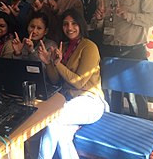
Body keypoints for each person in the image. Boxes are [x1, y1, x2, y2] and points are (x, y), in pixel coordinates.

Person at [93, 0, 153, 118]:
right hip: (109, 50)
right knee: (110, 95)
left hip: (134, 51)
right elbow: (99, 27)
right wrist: (99, 19)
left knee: (136, 97)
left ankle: (141, 135)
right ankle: (115, 131)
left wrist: (129, 15)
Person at [36, 9, 107, 159]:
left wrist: (58, 64)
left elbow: (79, 82)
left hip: (90, 102)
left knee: (52, 120)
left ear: (81, 25)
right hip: (69, 101)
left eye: (74, 23)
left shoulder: (89, 46)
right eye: (65, 24)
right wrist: (49, 63)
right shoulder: (66, 46)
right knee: (63, 136)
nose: (69, 28)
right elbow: (56, 80)